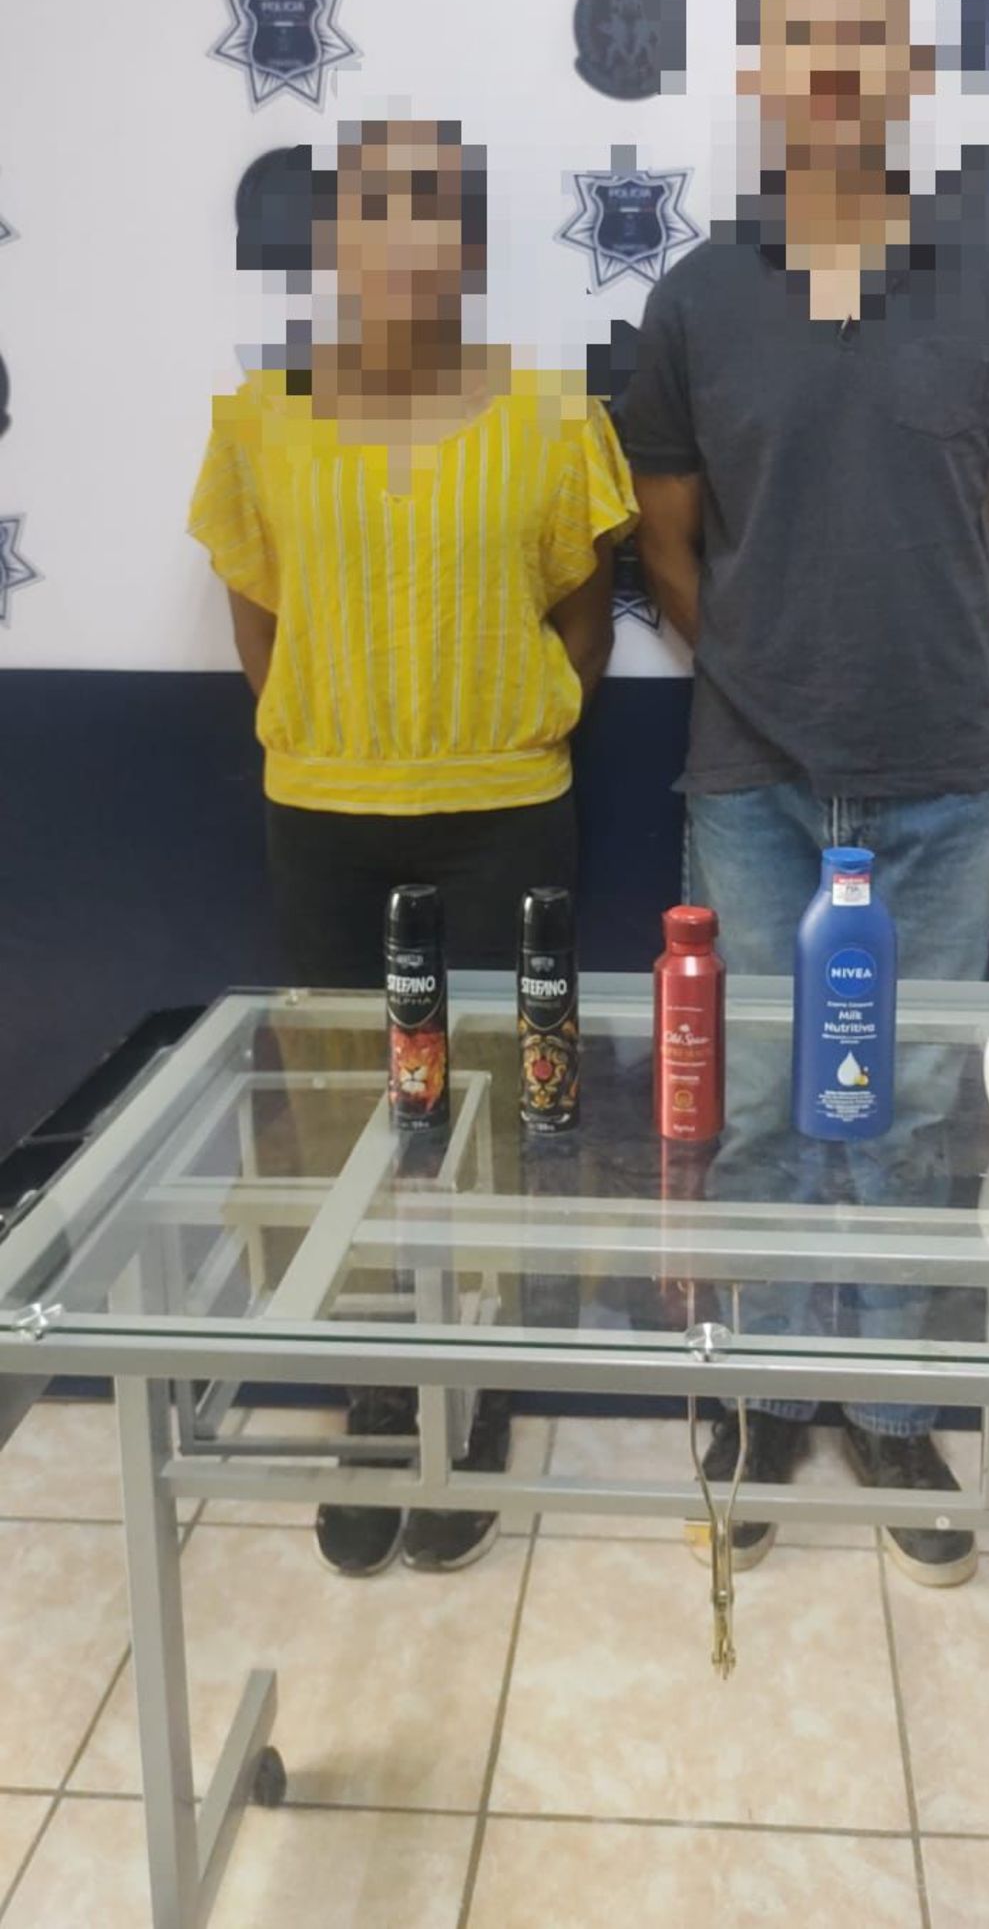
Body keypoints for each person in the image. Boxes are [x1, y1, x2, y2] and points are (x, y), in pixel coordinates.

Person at [625, 0, 989, 1586]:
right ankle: (751, 1393)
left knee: (907, 1111)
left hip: (944, 784)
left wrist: (935, 671)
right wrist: (777, 683)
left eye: (867, 35)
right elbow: (664, 543)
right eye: (804, 37)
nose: (835, 67)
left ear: (912, 67)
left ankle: (888, 1402)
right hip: (750, 785)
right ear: (758, 69)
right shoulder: (692, 301)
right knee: (755, 1105)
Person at [189, 115, 637, 1577]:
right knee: (344, 1109)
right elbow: (260, 615)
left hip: (505, 813)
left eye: (429, 210)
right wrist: (335, 736)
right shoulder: (263, 422)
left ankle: (473, 1382)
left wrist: (505, 726)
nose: (398, 240)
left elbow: (583, 615)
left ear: (475, 246)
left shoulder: (550, 419)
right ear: (330, 241)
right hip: (325, 818)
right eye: (370, 209)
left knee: (496, 1100)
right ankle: (379, 1387)